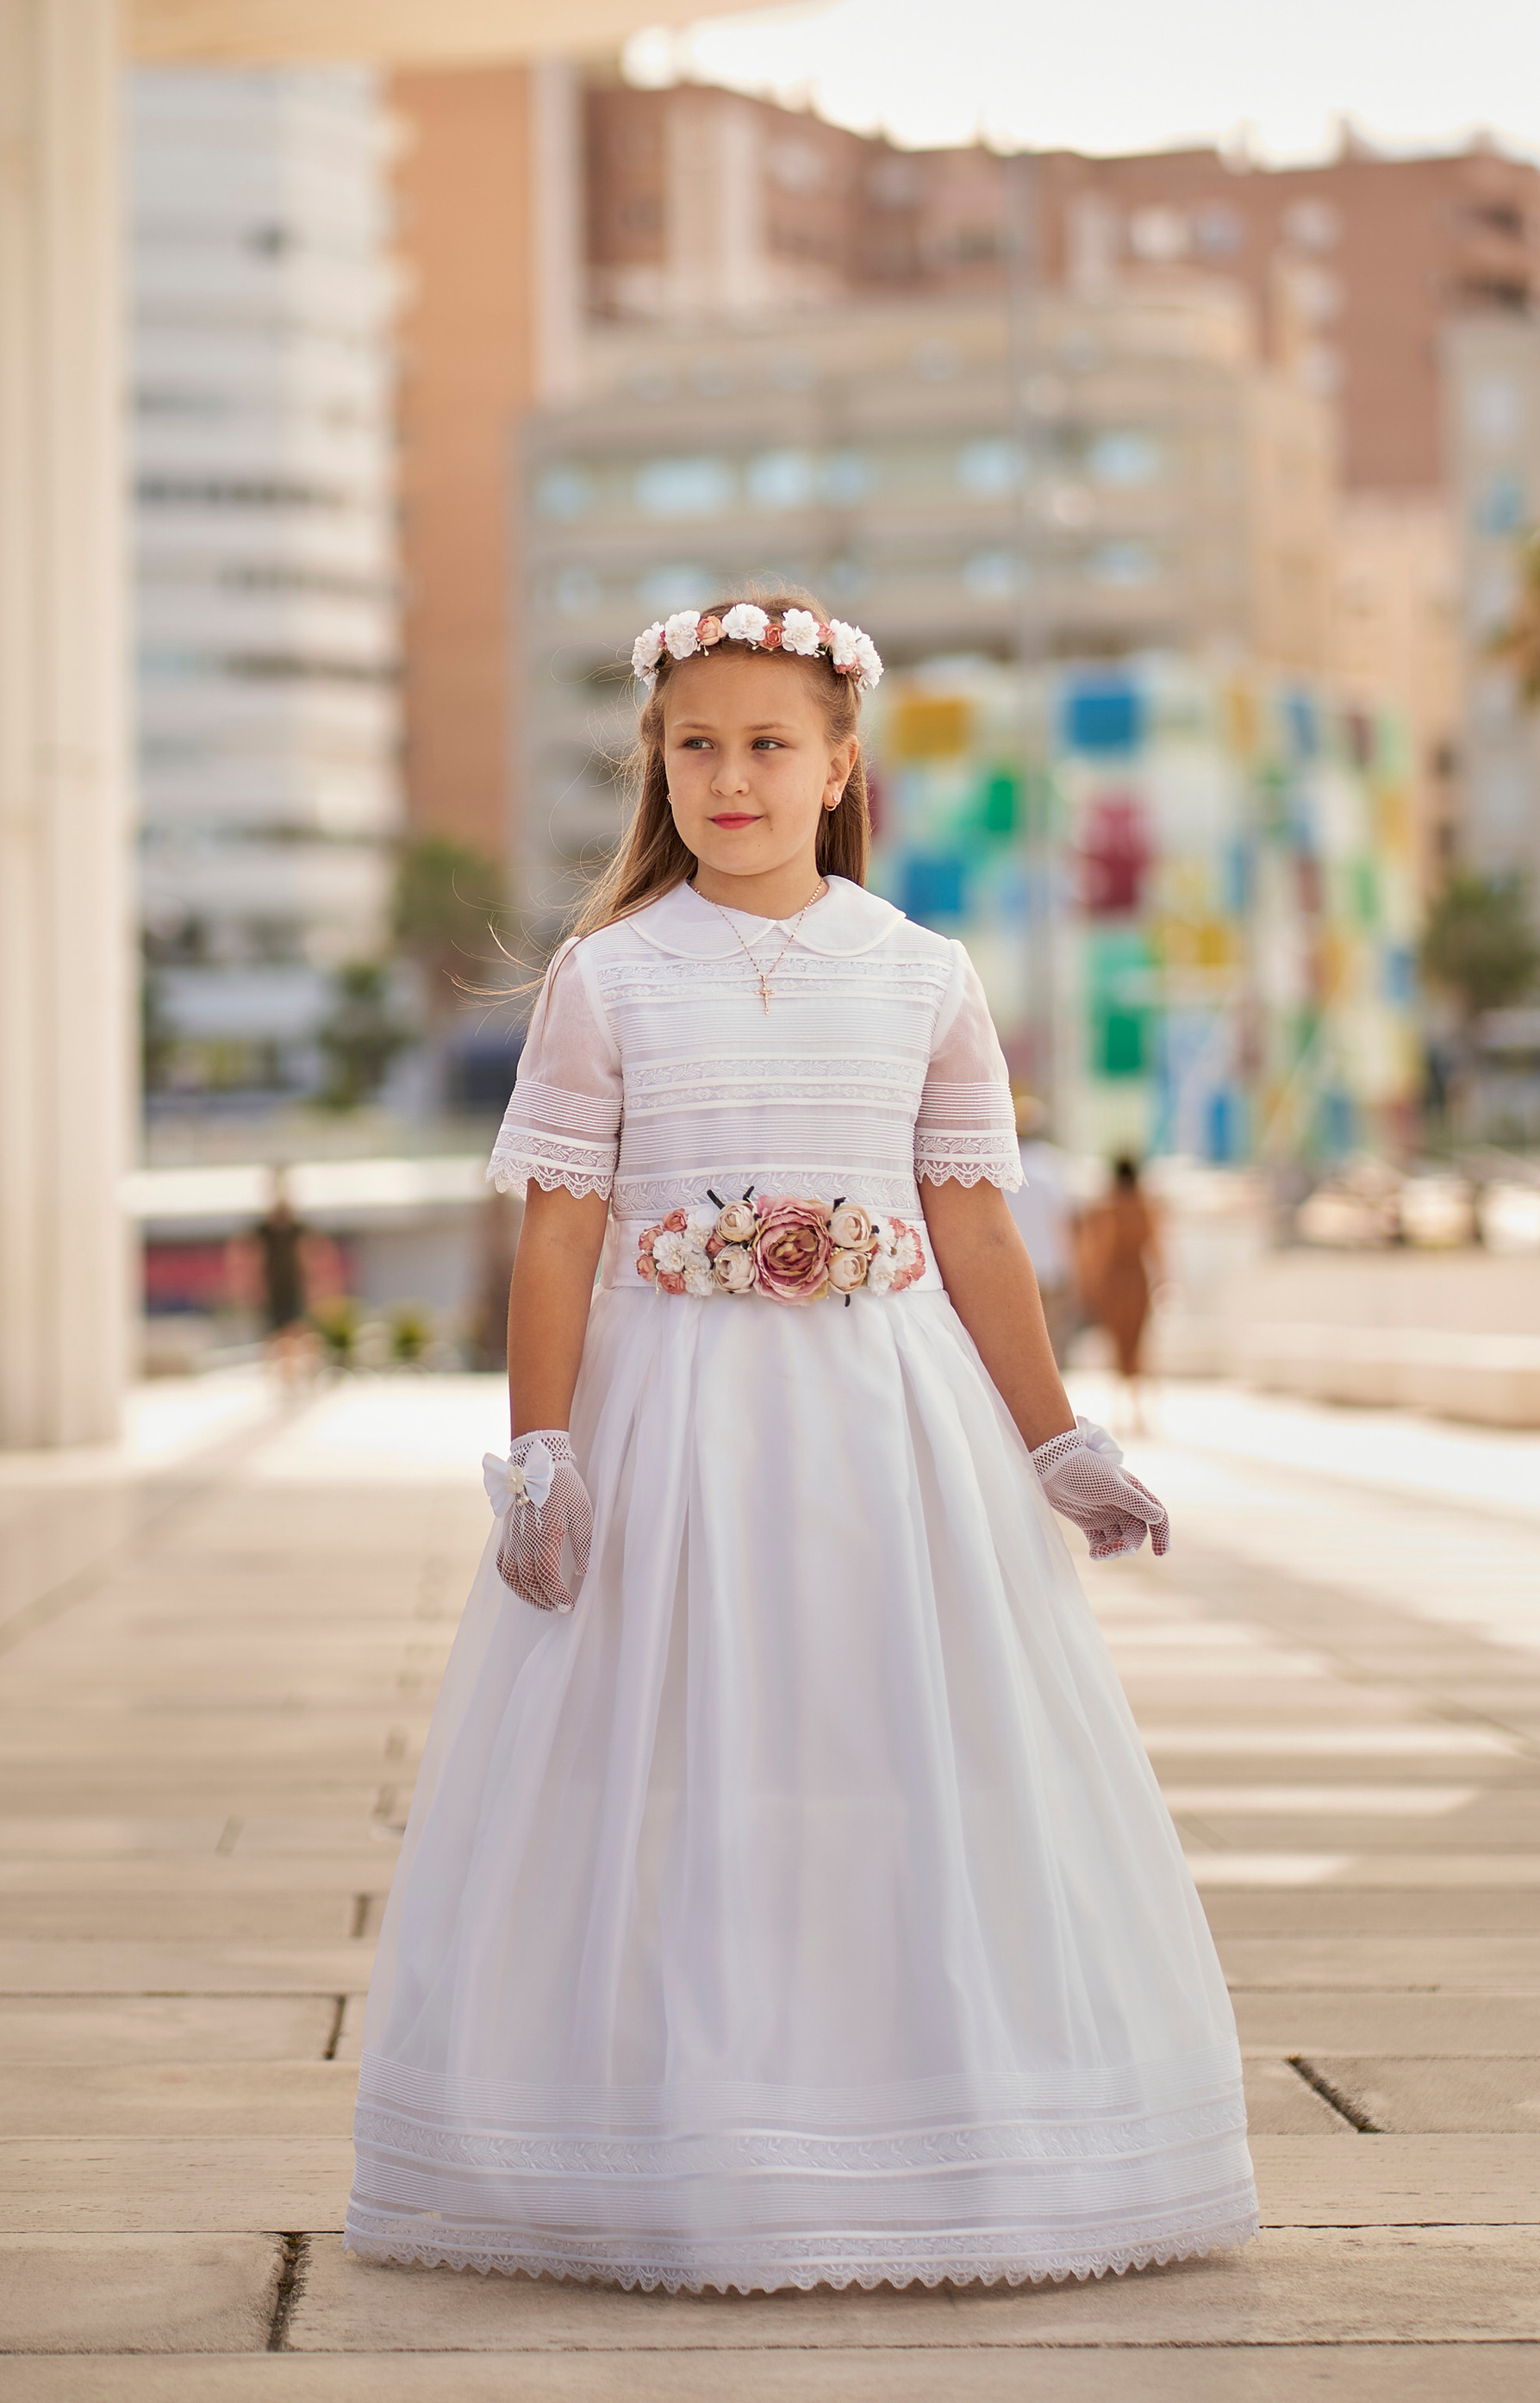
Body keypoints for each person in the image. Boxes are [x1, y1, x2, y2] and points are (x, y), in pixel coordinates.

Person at [345, 593, 1256, 2295]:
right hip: (668, 1420)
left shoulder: (921, 974)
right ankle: (672, 2125)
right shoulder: (607, 976)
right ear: (656, 765)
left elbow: (974, 1229)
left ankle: (918, 2116)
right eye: (695, 746)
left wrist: (1055, 1441)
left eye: (769, 744)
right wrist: (542, 1451)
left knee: (887, 1741)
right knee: (669, 1752)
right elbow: (559, 1235)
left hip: (883, 1426)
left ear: (840, 767)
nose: (730, 776)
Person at [1075, 1155, 1163, 1438]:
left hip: (1115, 1282)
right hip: (1137, 1280)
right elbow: (1157, 1248)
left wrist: (1089, 1285)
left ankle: (1124, 1408)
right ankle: (1137, 1410)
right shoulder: (1146, 1206)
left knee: (1118, 1342)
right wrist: (1163, 1282)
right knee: (1137, 1342)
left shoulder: (1107, 1208)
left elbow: (1098, 1249)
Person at [1007, 1088, 1080, 1368]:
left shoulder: (1001, 1163)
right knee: (1050, 1342)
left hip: (1010, 1266)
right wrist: (1071, 1267)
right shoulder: (1054, 1165)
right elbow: (1064, 1221)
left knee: (1015, 1343)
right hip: (1048, 1267)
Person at [253, 1170, 317, 1390]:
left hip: (293, 1288)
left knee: (297, 1334)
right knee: (277, 1338)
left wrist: (312, 1286)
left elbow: (307, 1257)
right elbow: (253, 1259)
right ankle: (283, 1378)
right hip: (274, 1291)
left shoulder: (297, 1230)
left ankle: (298, 1375)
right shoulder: (264, 1231)